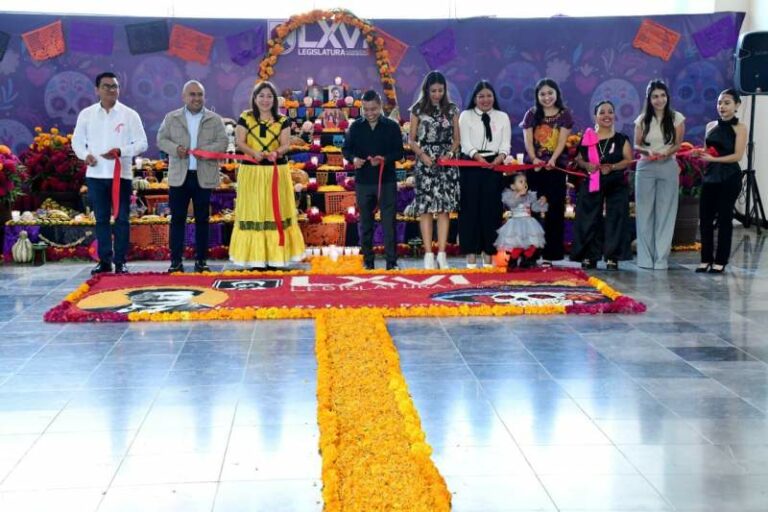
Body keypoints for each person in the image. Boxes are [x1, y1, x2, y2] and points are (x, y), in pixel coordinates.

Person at [72, 71, 148, 275]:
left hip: (121, 176)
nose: (111, 90)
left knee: (122, 219)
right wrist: (85, 155)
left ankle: (121, 261)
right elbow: (77, 141)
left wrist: (121, 151)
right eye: (106, 86)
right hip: (96, 175)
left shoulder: (129, 114)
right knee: (101, 219)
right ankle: (105, 261)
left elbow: (142, 143)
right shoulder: (86, 114)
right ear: (97, 90)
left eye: (114, 86)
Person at [230, 81, 305, 269]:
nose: (265, 100)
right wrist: (253, 153)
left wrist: (276, 153)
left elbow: (285, 144)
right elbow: (240, 142)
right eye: (261, 96)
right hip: (252, 172)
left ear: (274, 99)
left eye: (269, 96)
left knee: (275, 210)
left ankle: (276, 257)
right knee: (253, 210)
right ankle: (254, 259)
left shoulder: (282, 120)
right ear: (255, 98)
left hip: (276, 172)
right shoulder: (246, 117)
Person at [157, 80, 228, 273]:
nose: (196, 98)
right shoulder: (172, 118)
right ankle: (175, 262)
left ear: (204, 97)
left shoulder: (215, 119)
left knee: (202, 220)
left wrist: (204, 151)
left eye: (200, 94)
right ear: (183, 97)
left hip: (203, 177)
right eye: (192, 94)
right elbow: (161, 140)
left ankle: (201, 261)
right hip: (179, 177)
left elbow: (223, 143)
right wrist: (175, 149)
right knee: (177, 219)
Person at [343, 90, 404, 270]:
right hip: (363, 182)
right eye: (366, 109)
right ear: (361, 107)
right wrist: (354, 159)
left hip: (386, 181)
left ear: (380, 106)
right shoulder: (355, 127)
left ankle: (391, 262)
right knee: (365, 223)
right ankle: (368, 261)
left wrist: (384, 159)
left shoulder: (392, 126)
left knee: (388, 223)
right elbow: (346, 150)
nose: (370, 113)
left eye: (374, 109)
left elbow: (399, 152)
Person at [571, 100, 634, 270]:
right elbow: (578, 159)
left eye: (610, 112)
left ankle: (613, 257)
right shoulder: (587, 138)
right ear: (595, 116)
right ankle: (589, 256)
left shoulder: (621, 139)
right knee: (589, 217)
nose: (607, 115)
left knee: (616, 217)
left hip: (616, 182)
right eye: (602, 112)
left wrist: (612, 167)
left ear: (614, 115)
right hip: (592, 181)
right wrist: (586, 165)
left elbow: (628, 160)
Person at [408, 71, 460, 269]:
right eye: (433, 91)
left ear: (445, 90)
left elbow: (457, 140)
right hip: (425, 161)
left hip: (446, 162)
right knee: (426, 209)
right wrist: (422, 155)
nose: (437, 94)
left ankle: (442, 254)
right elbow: (411, 139)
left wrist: (449, 154)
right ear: (426, 90)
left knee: (444, 209)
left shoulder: (452, 109)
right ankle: (428, 255)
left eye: (440, 90)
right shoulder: (417, 109)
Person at [520, 78, 573, 267]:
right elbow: (528, 140)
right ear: (537, 96)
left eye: (550, 93)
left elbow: (562, 141)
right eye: (542, 94)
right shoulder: (531, 114)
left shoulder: (564, 115)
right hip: (534, 169)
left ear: (557, 94)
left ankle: (552, 254)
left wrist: (553, 160)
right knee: (532, 211)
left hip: (555, 169)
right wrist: (534, 158)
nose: (547, 97)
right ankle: (531, 253)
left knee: (554, 211)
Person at [634, 79, 685, 270]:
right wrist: (647, 152)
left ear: (667, 97)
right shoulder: (642, 120)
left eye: (662, 95)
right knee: (644, 213)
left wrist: (667, 153)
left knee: (666, 213)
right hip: (645, 167)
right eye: (655, 96)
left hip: (668, 166)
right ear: (649, 99)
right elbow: (636, 144)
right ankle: (645, 259)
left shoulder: (676, 118)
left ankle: (661, 259)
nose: (659, 100)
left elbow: (678, 144)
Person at [458, 80, 510, 268]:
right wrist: (478, 158)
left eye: (489, 96)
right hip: (471, 165)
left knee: (491, 212)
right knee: (470, 211)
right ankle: (471, 256)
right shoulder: (466, 115)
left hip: (494, 167)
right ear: (474, 98)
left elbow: (506, 144)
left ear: (494, 97)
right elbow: (465, 143)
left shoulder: (502, 117)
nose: (485, 99)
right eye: (481, 96)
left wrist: (500, 158)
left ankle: (488, 255)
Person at [695, 88, 747, 274]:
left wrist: (713, 159)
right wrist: (699, 154)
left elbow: (737, 156)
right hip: (710, 177)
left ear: (737, 105)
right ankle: (705, 259)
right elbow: (707, 152)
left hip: (730, 177)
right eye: (719, 103)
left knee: (724, 219)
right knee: (705, 219)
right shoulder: (710, 126)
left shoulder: (740, 128)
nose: (722, 106)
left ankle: (720, 261)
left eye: (727, 103)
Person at [495, 173, 548, 270]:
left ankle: (526, 259)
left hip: (529, 223)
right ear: (513, 186)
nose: (524, 183)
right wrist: (518, 195)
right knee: (518, 244)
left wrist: (541, 202)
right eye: (521, 182)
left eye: (525, 181)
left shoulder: (530, 196)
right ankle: (513, 260)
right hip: (516, 223)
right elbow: (511, 204)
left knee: (533, 243)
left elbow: (534, 208)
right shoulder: (510, 195)